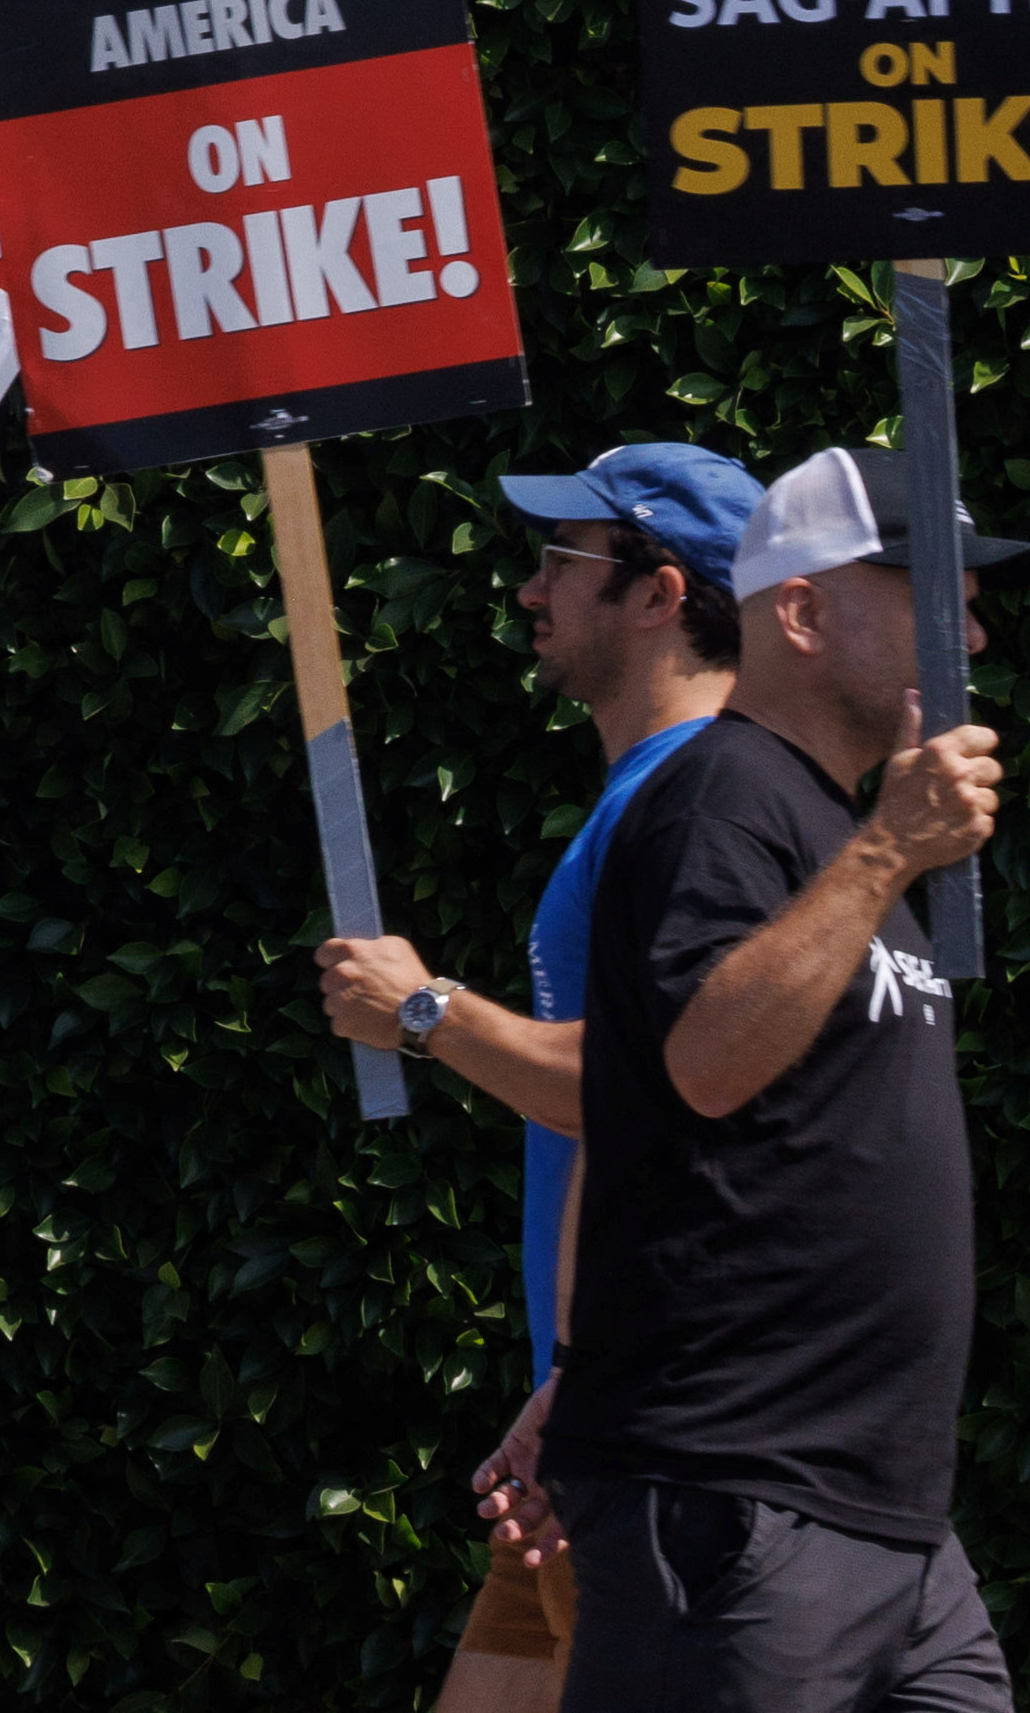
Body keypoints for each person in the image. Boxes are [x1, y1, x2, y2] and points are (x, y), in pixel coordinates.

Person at [490, 441, 1022, 1712]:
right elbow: (705, 1062)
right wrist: (889, 850)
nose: (975, 641)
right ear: (802, 611)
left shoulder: (832, 833)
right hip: (734, 1496)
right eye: (933, 601)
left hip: (868, 1510)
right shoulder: (717, 800)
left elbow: (655, 1137)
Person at [302, 437, 761, 1713]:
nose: (526, 589)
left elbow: (646, 1090)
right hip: (593, 1413)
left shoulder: (697, 807)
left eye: (563, 559)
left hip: (650, 1427)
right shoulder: (649, 801)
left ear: (659, 593)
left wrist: (423, 1013)